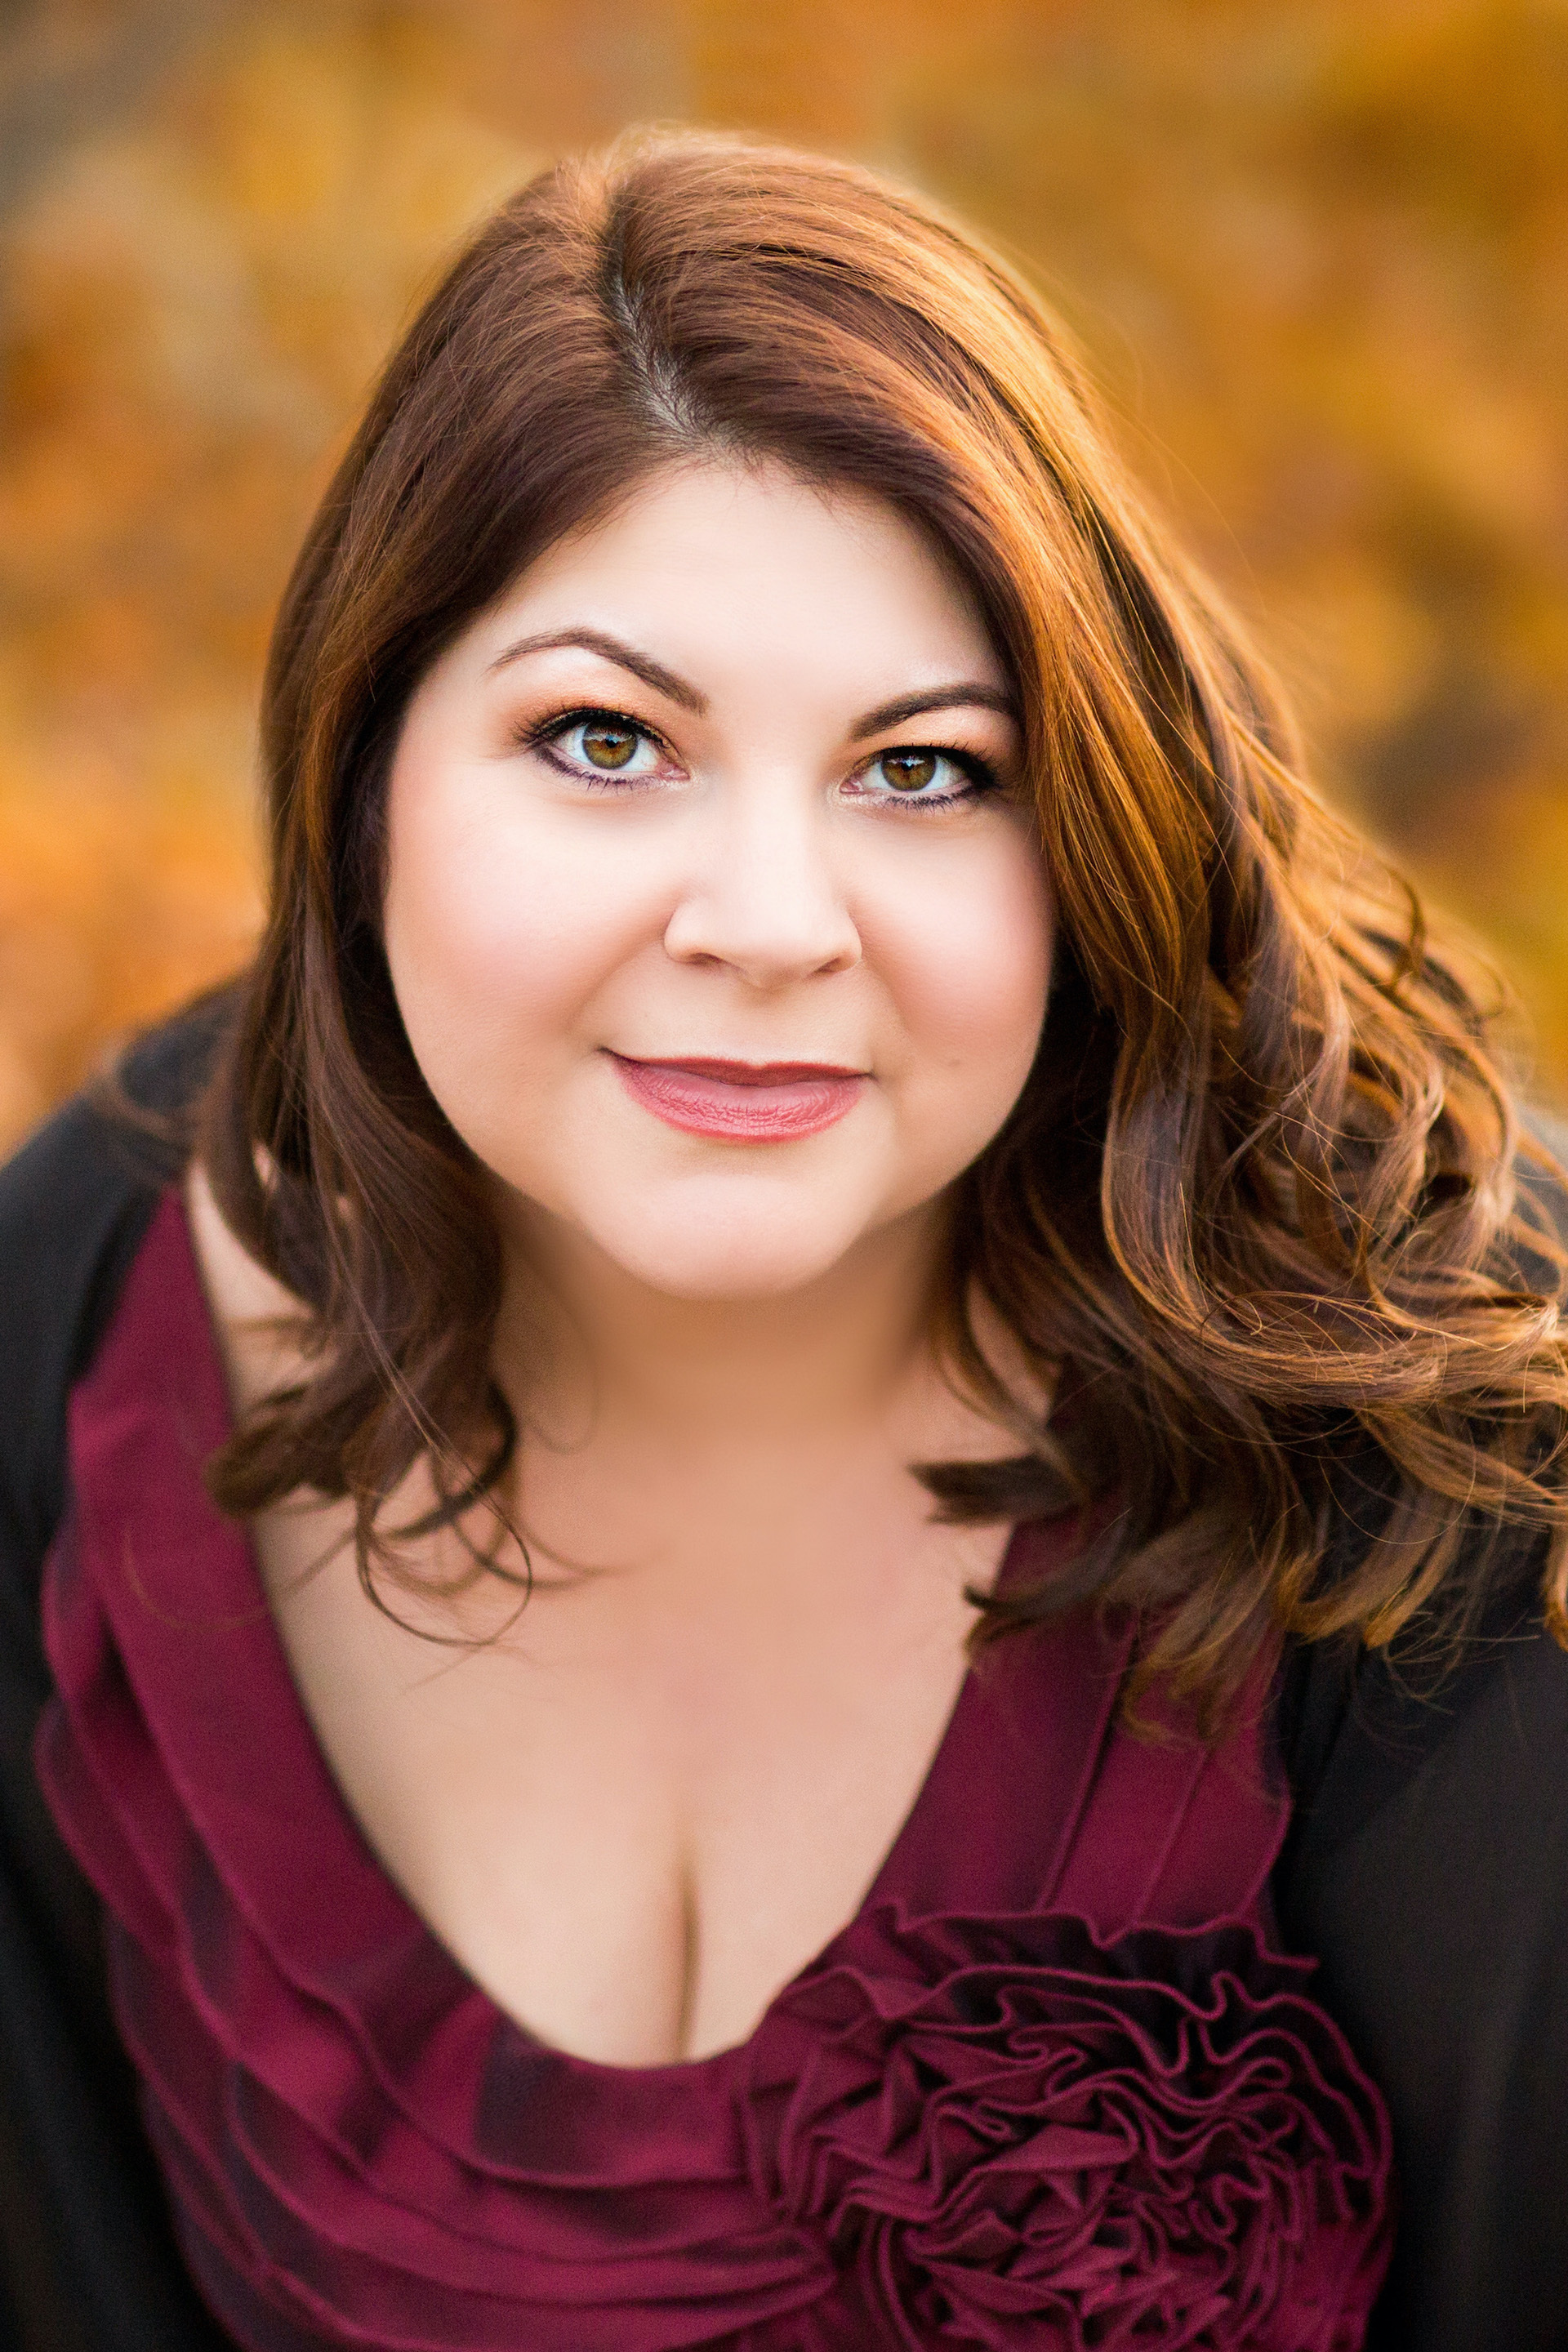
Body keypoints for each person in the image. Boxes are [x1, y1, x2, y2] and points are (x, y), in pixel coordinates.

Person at [1, 127, 1565, 2352]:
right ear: (361, 786)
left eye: (925, 771)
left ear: (1092, 831)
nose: (762, 923)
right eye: (606, 740)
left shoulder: (1479, 1450)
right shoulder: (63, 1333)